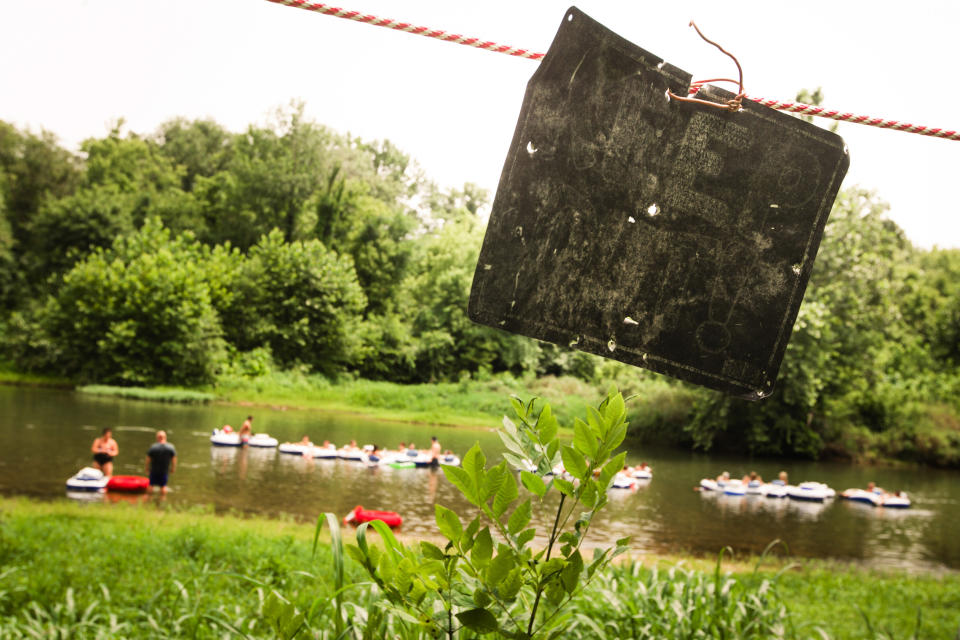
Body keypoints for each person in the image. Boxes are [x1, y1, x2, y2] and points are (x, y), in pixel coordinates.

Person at [145, 430, 177, 495]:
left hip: (154, 470)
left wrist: (147, 468)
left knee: (151, 485)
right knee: (163, 486)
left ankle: (148, 499)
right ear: (165, 437)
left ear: (157, 437)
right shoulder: (170, 447)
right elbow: (174, 459)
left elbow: (148, 459)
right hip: (164, 471)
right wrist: (173, 468)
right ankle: (162, 500)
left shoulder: (153, 447)